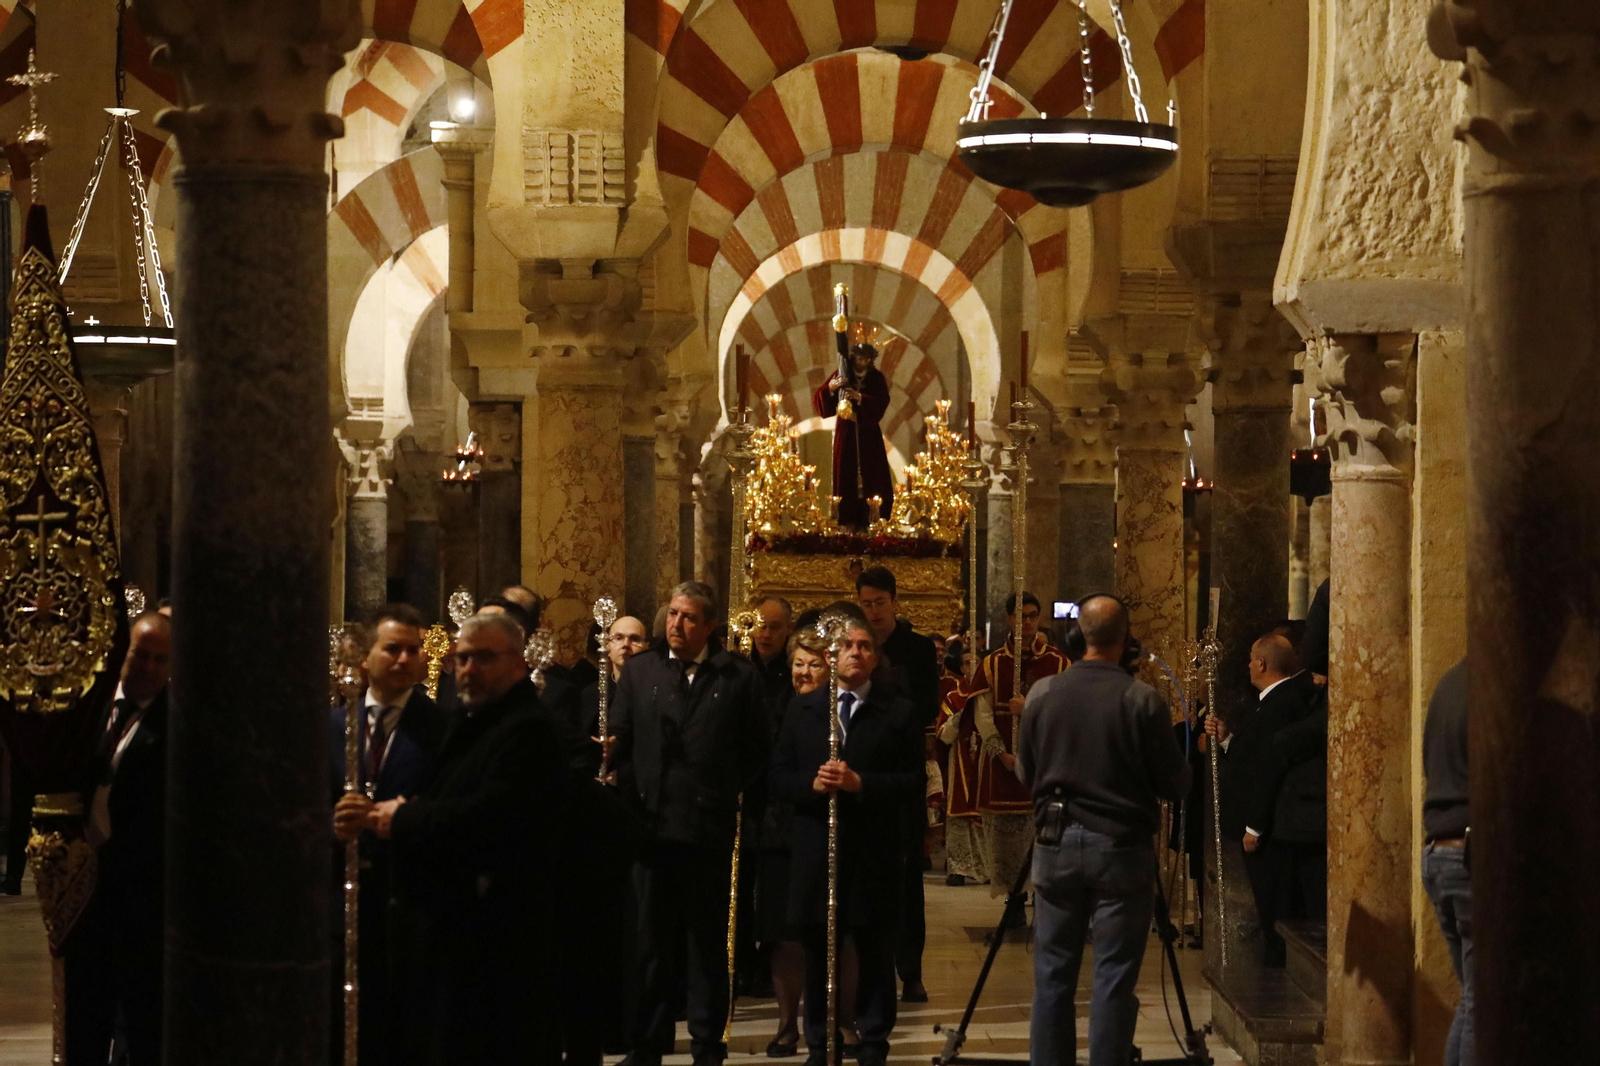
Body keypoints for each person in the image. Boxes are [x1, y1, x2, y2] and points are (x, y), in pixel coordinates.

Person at [335, 612, 574, 1066]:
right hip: (448, 933)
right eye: (462, 659)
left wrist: (405, 817)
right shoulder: (476, 721)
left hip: (496, 940)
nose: (468, 669)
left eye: (484, 658)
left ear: (518, 663)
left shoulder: (526, 729)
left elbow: (491, 817)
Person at [1017, 594, 1190, 1066]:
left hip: (1054, 844)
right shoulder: (1141, 700)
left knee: (1052, 977)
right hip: (1120, 848)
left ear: (1077, 637)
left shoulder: (1042, 694)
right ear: (1126, 640)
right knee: (1113, 977)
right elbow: (1174, 783)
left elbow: (1025, 772)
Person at [611, 582, 769, 1066]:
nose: (676, 625)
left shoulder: (738, 677)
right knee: (650, 943)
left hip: (706, 829)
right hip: (650, 827)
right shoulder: (641, 671)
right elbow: (622, 736)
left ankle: (707, 1044)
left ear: (709, 626)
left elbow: (757, 749)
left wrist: (719, 789)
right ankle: (647, 1043)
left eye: (688, 618)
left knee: (706, 943)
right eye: (673, 615)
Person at [770, 617, 923, 1066]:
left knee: (874, 949)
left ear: (875, 658)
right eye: (847, 646)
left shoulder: (898, 712)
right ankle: (820, 1041)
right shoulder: (803, 709)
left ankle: (873, 1041)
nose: (856, 652)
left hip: (873, 851)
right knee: (819, 950)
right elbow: (778, 777)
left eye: (864, 646)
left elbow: (913, 782)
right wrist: (812, 785)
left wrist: (861, 783)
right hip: (817, 848)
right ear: (831, 656)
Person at [326, 604, 446, 1066]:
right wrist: (332, 824)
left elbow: (448, 806)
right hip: (344, 900)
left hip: (410, 899)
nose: (404, 659)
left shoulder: (441, 728)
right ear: (365, 656)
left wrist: (401, 816)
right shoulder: (333, 725)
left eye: (413, 650)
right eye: (393, 648)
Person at [63, 611, 171, 1066]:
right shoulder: (88, 707)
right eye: (140, 655)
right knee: (84, 1024)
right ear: (123, 652)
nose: (148, 667)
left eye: (160, 660)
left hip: (142, 903)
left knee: (144, 1027)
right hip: (82, 897)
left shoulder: (177, 725)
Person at [1204, 634, 1318, 966]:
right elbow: (1255, 756)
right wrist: (1227, 739)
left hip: (1271, 828)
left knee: (1276, 911)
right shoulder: (1273, 701)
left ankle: (1278, 974)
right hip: (1268, 825)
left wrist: (1254, 826)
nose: (1248, 665)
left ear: (1262, 663)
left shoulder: (1281, 703)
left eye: (1251, 658)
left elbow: (1269, 768)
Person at [853, 566, 937, 1000]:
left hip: (903, 769)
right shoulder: (853, 646)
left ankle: (911, 969)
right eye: (865, 604)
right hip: (862, 772)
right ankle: (872, 965)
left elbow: (928, 705)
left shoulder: (917, 648)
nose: (873, 611)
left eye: (879, 603)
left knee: (907, 875)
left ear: (894, 602)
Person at [955, 592, 1068, 897]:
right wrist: (1001, 754)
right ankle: (1013, 900)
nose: (1027, 622)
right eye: (1020, 616)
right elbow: (982, 715)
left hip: (1043, 768)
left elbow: (1066, 714)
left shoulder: (1058, 663)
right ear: (1009, 619)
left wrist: (1029, 708)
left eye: (1032, 616)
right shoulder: (992, 664)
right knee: (1005, 847)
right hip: (1001, 767)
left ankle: (1043, 898)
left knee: (1044, 838)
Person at [760, 628, 827, 1058]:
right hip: (778, 828)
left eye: (814, 664)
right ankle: (787, 1024)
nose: (804, 672)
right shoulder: (776, 703)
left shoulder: (837, 709)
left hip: (823, 828)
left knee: (832, 934)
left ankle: (838, 1022)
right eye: (798, 663)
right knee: (783, 933)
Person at [1422, 658, 1471, 1066]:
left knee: (1473, 999)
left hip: (1439, 852)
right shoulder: (1495, 687)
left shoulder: (1449, 682)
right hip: (1471, 856)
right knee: (1483, 1004)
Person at [812, 339, 892, 530]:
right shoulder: (843, 373)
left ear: (871, 360)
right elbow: (821, 402)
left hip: (868, 434)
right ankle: (846, 521)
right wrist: (830, 389)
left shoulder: (876, 378)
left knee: (873, 476)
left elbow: (882, 401)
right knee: (846, 474)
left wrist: (860, 398)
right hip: (847, 431)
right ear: (854, 357)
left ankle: (874, 518)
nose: (862, 362)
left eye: (866, 359)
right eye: (859, 358)